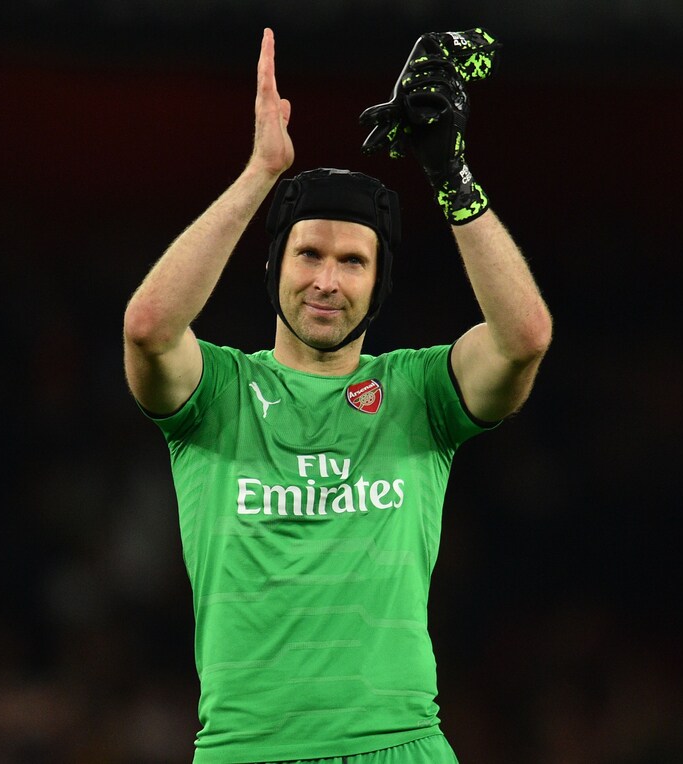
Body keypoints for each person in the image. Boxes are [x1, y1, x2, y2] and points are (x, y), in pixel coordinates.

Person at [123, 27, 552, 764]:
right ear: (275, 267)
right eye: (309, 254)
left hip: (400, 745)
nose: (327, 280)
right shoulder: (220, 390)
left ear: (378, 284)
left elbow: (524, 338)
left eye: (353, 261)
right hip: (247, 751)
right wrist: (260, 174)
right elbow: (149, 329)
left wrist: (451, 175)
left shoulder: (417, 390)